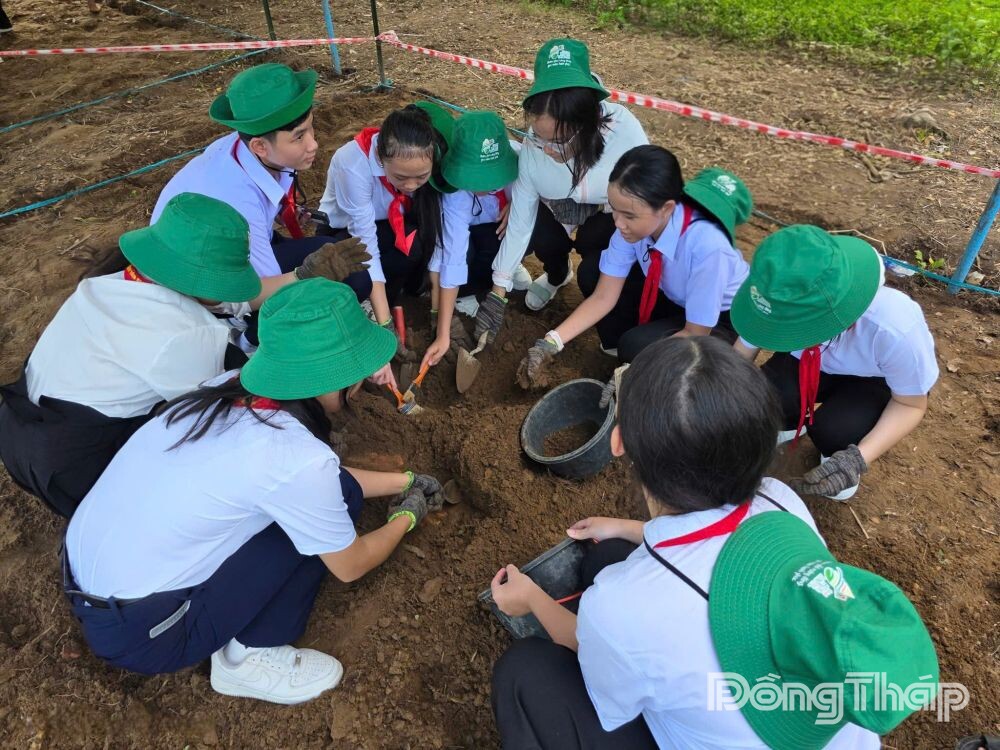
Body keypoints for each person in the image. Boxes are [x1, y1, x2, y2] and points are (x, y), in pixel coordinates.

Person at [491, 336, 938, 749]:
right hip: (818, 723)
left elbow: (589, 647)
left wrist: (531, 599)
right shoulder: (779, 500)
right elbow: (718, 555)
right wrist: (626, 528)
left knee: (525, 672)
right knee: (607, 557)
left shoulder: (621, 609)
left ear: (619, 442)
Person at [63, 279, 444, 703]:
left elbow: (313, 477)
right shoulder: (293, 457)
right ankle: (249, 658)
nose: (360, 382)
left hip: (88, 574)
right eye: (355, 371)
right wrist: (407, 517)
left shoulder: (228, 388)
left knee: (326, 498)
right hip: (145, 633)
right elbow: (351, 564)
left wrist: (404, 481)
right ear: (330, 377)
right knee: (333, 510)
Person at [0, 193, 266, 518]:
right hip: (75, 466)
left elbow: (216, 304)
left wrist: (298, 276)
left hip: (15, 429)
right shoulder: (188, 331)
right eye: (223, 281)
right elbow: (210, 414)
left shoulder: (111, 281)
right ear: (199, 283)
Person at [730, 224, 939, 500]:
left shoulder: (893, 328)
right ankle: (788, 425)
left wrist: (855, 460)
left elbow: (911, 404)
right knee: (768, 397)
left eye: (793, 328)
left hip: (874, 379)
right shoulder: (776, 288)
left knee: (836, 431)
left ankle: (837, 461)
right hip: (810, 362)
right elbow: (739, 358)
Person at [516, 146, 751, 389]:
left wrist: (636, 369)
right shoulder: (633, 227)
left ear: (666, 208)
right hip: (672, 295)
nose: (618, 223)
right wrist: (550, 342)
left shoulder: (708, 248)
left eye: (629, 216)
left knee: (635, 347)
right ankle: (626, 351)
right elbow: (604, 296)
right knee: (592, 273)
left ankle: (646, 366)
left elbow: (696, 332)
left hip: (716, 321)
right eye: (614, 209)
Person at [152, 63, 371, 312]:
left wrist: (280, 213)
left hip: (231, 253)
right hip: (202, 295)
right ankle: (251, 334)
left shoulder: (249, 148)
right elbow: (260, 295)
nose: (313, 145)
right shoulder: (237, 201)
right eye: (299, 137)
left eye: (311, 127)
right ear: (259, 146)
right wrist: (303, 275)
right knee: (341, 282)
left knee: (341, 265)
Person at [474, 38, 649, 345]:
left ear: (589, 121)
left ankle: (610, 306)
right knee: (538, 231)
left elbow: (644, 204)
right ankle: (557, 274)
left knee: (594, 262)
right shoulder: (536, 146)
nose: (548, 150)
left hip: (610, 213)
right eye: (540, 138)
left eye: (559, 140)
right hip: (558, 206)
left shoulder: (624, 133)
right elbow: (520, 222)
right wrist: (498, 290)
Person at [320, 101, 482, 352]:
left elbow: (449, 245)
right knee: (388, 259)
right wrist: (385, 325)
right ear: (380, 157)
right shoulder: (352, 164)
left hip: (397, 225)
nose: (411, 186)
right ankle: (372, 305)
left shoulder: (437, 164)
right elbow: (366, 247)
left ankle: (406, 294)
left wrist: (442, 325)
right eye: (400, 177)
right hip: (345, 234)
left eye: (421, 177)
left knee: (455, 249)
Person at [420, 110, 520, 370]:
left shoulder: (521, 166)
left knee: (514, 232)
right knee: (465, 254)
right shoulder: (454, 193)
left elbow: (539, 206)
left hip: (497, 229)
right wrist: (442, 331)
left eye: (490, 178)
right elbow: (451, 253)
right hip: (469, 235)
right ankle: (470, 291)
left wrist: (518, 204)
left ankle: (506, 268)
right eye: (475, 178)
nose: (483, 185)